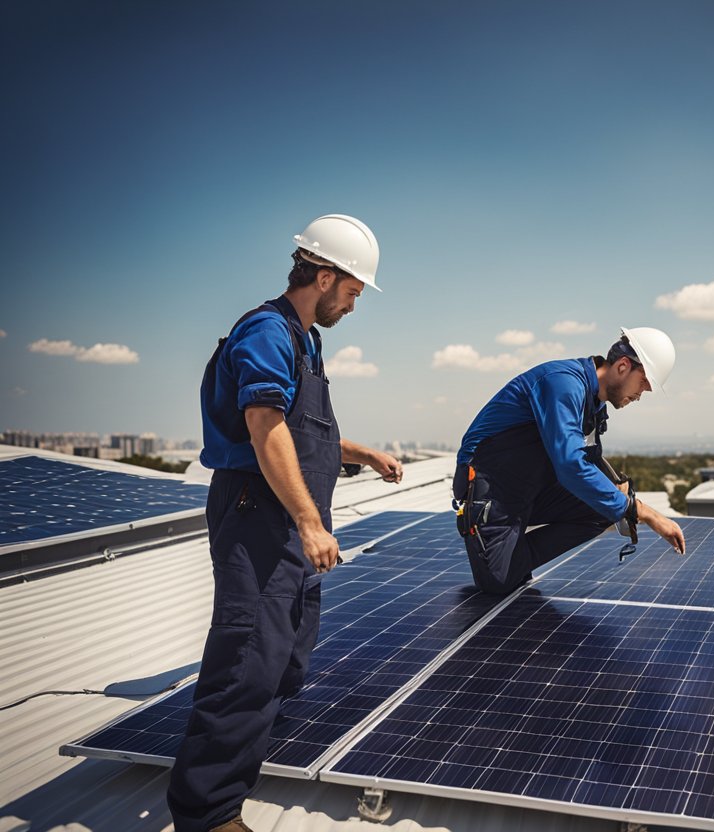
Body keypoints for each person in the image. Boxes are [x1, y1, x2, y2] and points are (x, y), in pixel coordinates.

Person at [167, 214, 403, 832]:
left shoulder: (305, 340)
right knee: (249, 655)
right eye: (351, 293)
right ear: (324, 277)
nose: (353, 306)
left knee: (289, 649)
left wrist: (364, 453)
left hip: (290, 521)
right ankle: (209, 810)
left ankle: (250, 748)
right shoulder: (268, 332)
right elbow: (265, 428)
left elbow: (307, 435)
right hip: (259, 516)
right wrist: (308, 519)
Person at [453, 328, 686, 595]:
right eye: (644, 382)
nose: (642, 394)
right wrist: (643, 512)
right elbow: (570, 464)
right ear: (623, 366)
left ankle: (511, 554)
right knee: (499, 583)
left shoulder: (593, 402)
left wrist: (618, 493)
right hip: (492, 489)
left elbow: (588, 459)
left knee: (604, 506)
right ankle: (502, 554)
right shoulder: (562, 383)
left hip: (530, 487)